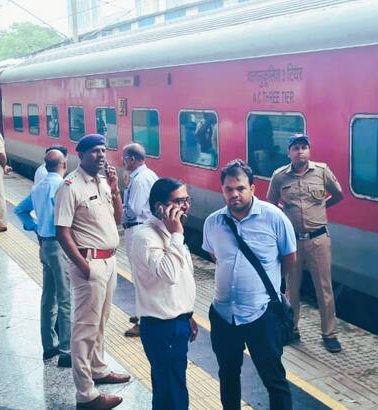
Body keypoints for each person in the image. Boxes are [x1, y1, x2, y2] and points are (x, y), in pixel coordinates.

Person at [203, 159, 295, 410]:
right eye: (229, 189)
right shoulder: (213, 222)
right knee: (228, 375)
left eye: (240, 188)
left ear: (253, 188)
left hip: (262, 314)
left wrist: (269, 287)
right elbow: (216, 257)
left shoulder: (275, 218)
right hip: (223, 314)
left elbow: (289, 259)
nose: (234, 194)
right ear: (222, 190)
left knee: (273, 379)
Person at [55, 134, 129, 409]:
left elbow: (118, 220)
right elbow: (62, 232)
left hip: (109, 262)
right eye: (95, 151)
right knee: (85, 328)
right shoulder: (70, 186)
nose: (101, 155)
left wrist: (116, 189)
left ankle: (98, 368)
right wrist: (83, 266)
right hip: (90, 264)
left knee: (101, 321)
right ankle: (85, 393)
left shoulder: (102, 182)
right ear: (81, 155)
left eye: (103, 151)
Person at [267, 134, 344, 353]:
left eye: (304, 147)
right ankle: (291, 329)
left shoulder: (322, 171)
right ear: (288, 153)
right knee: (292, 287)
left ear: (309, 150)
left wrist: (321, 209)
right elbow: (271, 204)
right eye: (296, 148)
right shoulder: (279, 177)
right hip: (292, 240)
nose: (300, 151)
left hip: (319, 239)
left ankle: (329, 334)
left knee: (324, 289)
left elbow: (339, 195)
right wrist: (286, 216)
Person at [131, 178, 198, 410]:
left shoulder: (167, 232)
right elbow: (168, 273)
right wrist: (177, 234)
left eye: (187, 199)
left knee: (169, 387)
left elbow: (179, 280)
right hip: (162, 327)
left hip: (176, 321)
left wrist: (188, 314)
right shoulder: (146, 236)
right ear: (160, 206)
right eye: (179, 201)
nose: (186, 206)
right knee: (173, 393)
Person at [15, 149, 72, 368]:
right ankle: (67, 351)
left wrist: (35, 227)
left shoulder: (38, 187)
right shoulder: (62, 187)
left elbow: (20, 210)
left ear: (45, 166)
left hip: (44, 246)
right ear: (64, 164)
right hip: (59, 246)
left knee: (48, 297)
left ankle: (49, 346)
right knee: (66, 298)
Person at [121, 143, 159, 337]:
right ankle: (140, 313)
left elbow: (133, 210)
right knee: (141, 275)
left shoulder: (140, 180)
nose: (123, 162)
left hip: (137, 229)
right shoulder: (148, 175)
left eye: (124, 159)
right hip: (142, 228)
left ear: (132, 159)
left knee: (139, 276)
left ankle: (143, 322)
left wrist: (118, 210)